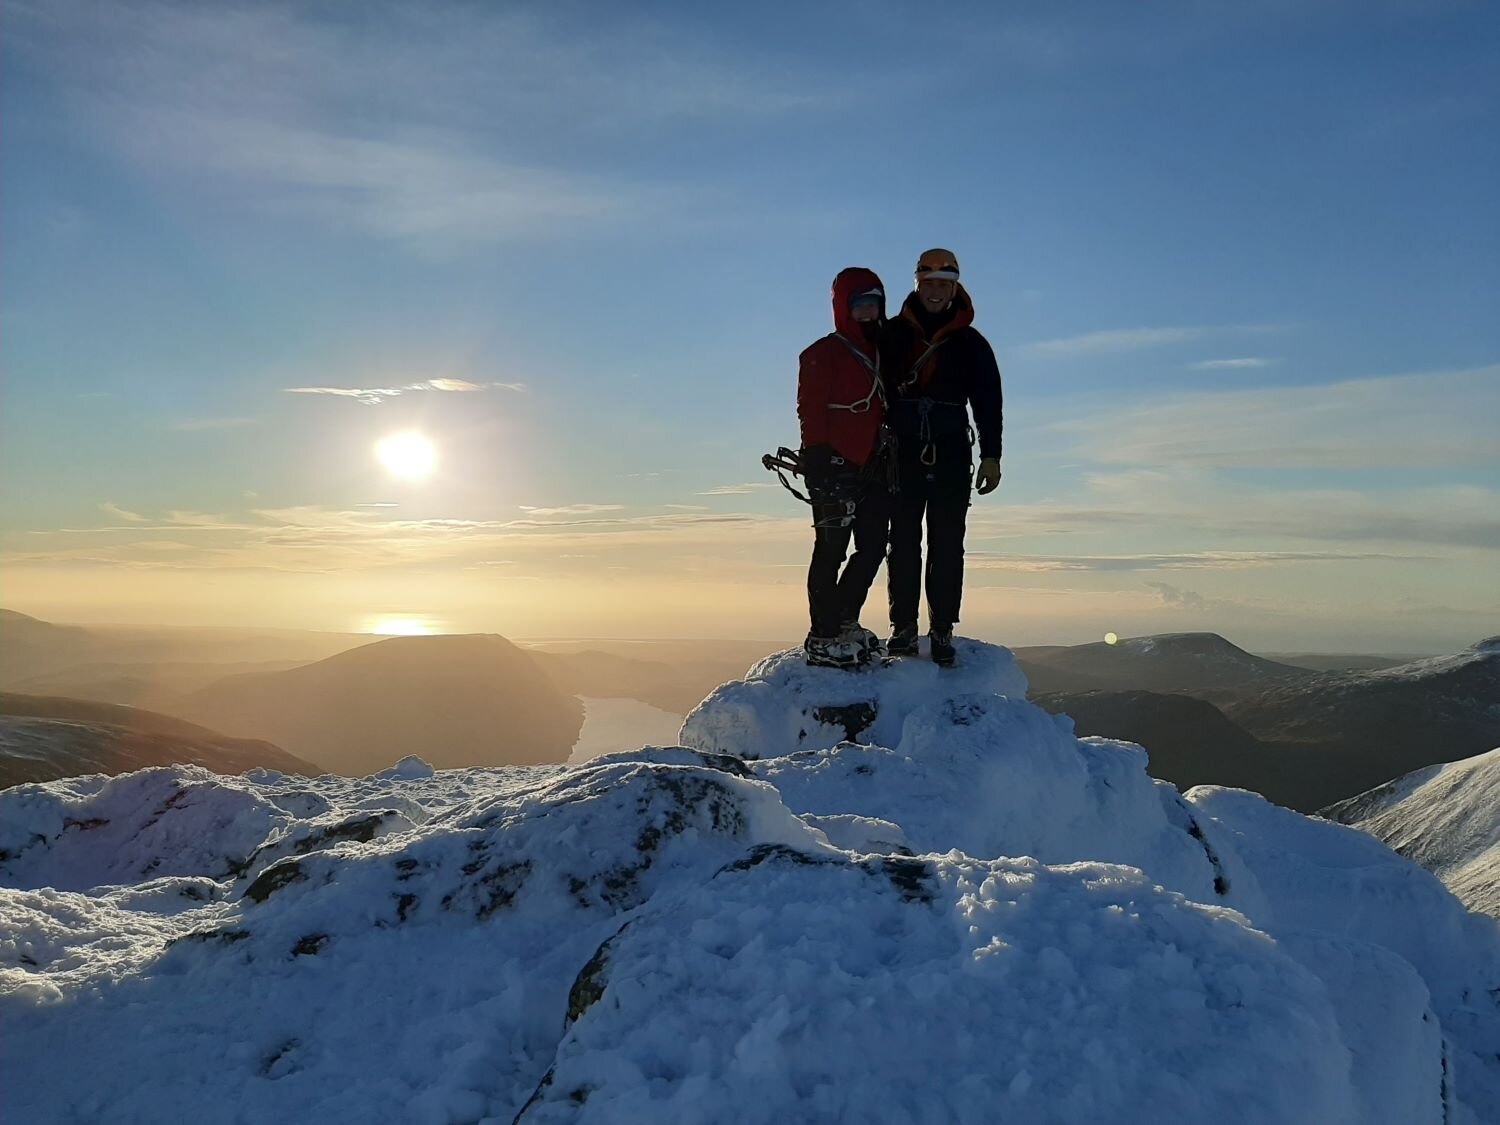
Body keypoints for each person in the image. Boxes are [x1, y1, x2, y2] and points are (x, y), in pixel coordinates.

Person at [879, 248, 1002, 667]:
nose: (935, 292)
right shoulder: (892, 335)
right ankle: (904, 628)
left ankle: (942, 628)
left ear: (954, 288)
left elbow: (988, 401)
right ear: (918, 285)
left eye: (943, 285)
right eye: (929, 284)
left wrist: (992, 455)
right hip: (903, 450)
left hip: (948, 450)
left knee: (948, 544)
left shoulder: (970, 343)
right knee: (904, 541)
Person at [796, 266, 892, 669]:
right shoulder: (822, 353)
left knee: (871, 546)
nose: (868, 312)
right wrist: (815, 452)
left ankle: (844, 620)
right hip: (834, 464)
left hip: (874, 464)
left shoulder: (884, 352)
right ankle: (823, 633)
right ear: (843, 308)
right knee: (830, 550)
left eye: (874, 304)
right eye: (860, 305)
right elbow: (810, 407)